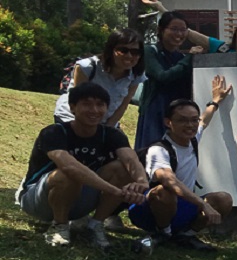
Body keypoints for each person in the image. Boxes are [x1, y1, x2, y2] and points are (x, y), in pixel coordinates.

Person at [18, 82, 149, 248]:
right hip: (38, 201)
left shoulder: (111, 134)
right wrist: (116, 191)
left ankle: (94, 226)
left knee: (122, 169)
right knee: (69, 174)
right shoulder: (54, 132)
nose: (94, 110)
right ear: (72, 107)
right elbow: (70, 167)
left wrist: (142, 183)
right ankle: (59, 226)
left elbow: (131, 160)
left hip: (79, 198)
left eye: (100, 105)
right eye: (86, 104)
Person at [127, 77, 236, 252]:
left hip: (181, 206)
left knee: (223, 199)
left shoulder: (191, 139)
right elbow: (170, 182)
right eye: (183, 120)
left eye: (193, 120)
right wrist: (203, 204)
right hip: (149, 210)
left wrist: (215, 101)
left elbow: (203, 121)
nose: (190, 125)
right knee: (166, 191)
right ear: (168, 122)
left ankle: (186, 236)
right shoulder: (159, 150)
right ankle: (163, 233)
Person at [54, 29, 146, 128]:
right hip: (72, 118)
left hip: (104, 122)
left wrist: (107, 130)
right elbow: (78, 102)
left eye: (135, 52)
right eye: (123, 50)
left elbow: (123, 106)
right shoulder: (87, 67)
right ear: (111, 50)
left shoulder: (136, 75)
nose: (129, 56)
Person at [137, 12, 202, 149]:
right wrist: (189, 58)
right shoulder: (150, 51)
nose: (179, 34)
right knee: (151, 153)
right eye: (174, 29)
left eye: (183, 30)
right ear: (161, 30)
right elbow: (163, 77)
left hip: (180, 114)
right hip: (156, 111)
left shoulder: (182, 57)